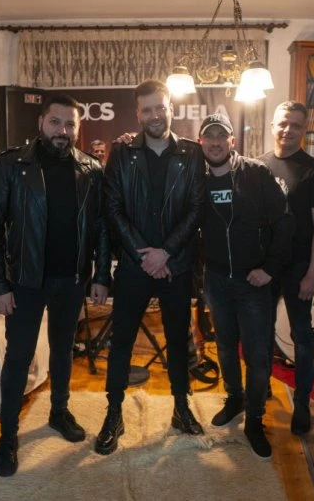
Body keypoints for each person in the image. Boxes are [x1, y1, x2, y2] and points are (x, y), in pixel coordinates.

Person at [0, 93, 111, 476]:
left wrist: (101, 275)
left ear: (78, 128)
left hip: (72, 279)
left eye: (70, 124)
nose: (63, 131)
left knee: (63, 350)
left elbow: (101, 227)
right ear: (40, 123)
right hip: (25, 282)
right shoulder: (12, 164)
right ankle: (8, 437)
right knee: (18, 357)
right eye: (56, 122)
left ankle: (59, 411)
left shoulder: (90, 169)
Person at [98, 79, 206, 455]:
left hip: (176, 266)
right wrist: (145, 255)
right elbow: (113, 208)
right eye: (147, 110)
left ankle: (180, 408)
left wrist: (166, 253)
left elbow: (196, 209)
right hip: (134, 266)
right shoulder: (121, 152)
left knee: (178, 341)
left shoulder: (192, 153)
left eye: (160, 107)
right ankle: (114, 413)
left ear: (170, 108)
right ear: (138, 114)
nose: (155, 115)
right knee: (121, 343)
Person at [198, 113, 294, 460]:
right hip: (216, 281)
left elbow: (285, 223)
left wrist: (269, 269)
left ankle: (255, 418)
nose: (215, 142)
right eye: (209, 137)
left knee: (256, 355)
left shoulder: (256, 173)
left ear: (232, 141)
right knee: (224, 347)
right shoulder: (196, 177)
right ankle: (234, 398)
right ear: (201, 142)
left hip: (253, 282)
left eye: (221, 136)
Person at [259, 101, 314, 435]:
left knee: (301, 336)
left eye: (296, 125)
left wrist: (313, 273)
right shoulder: (258, 166)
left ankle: (302, 403)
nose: (288, 130)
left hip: (299, 266)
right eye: (283, 123)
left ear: (304, 130)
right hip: (265, 266)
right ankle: (260, 391)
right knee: (261, 334)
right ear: (273, 126)